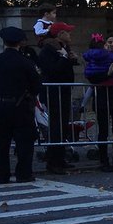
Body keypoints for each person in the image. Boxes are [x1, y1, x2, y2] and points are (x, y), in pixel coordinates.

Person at [0, 27, 41, 184]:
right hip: (20, 106)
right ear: (20, 42)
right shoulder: (26, 62)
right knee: (24, 142)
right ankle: (24, 174)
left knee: (0, 143)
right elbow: (36, 85)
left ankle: (2, 175)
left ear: (3, 42)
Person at [84, 34, 113, 171]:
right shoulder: (95, 58)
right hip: (102, 96)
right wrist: (107, 74)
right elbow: (93, 78)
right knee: (103, 129)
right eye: (109, 42)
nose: (112, 44)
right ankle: (103, 159)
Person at [37, 21, 79, 174]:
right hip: (54, 92)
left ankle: (60, 159)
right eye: (67, 32)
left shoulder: (63, 48)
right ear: (60, 34)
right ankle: (53, 161)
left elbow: (64, 67)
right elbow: (52, 70)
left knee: (62, 126)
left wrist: (71, 59)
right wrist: (64, 58)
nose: (70, 35)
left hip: (63, 91)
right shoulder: (49, 49)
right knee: (56, 127)